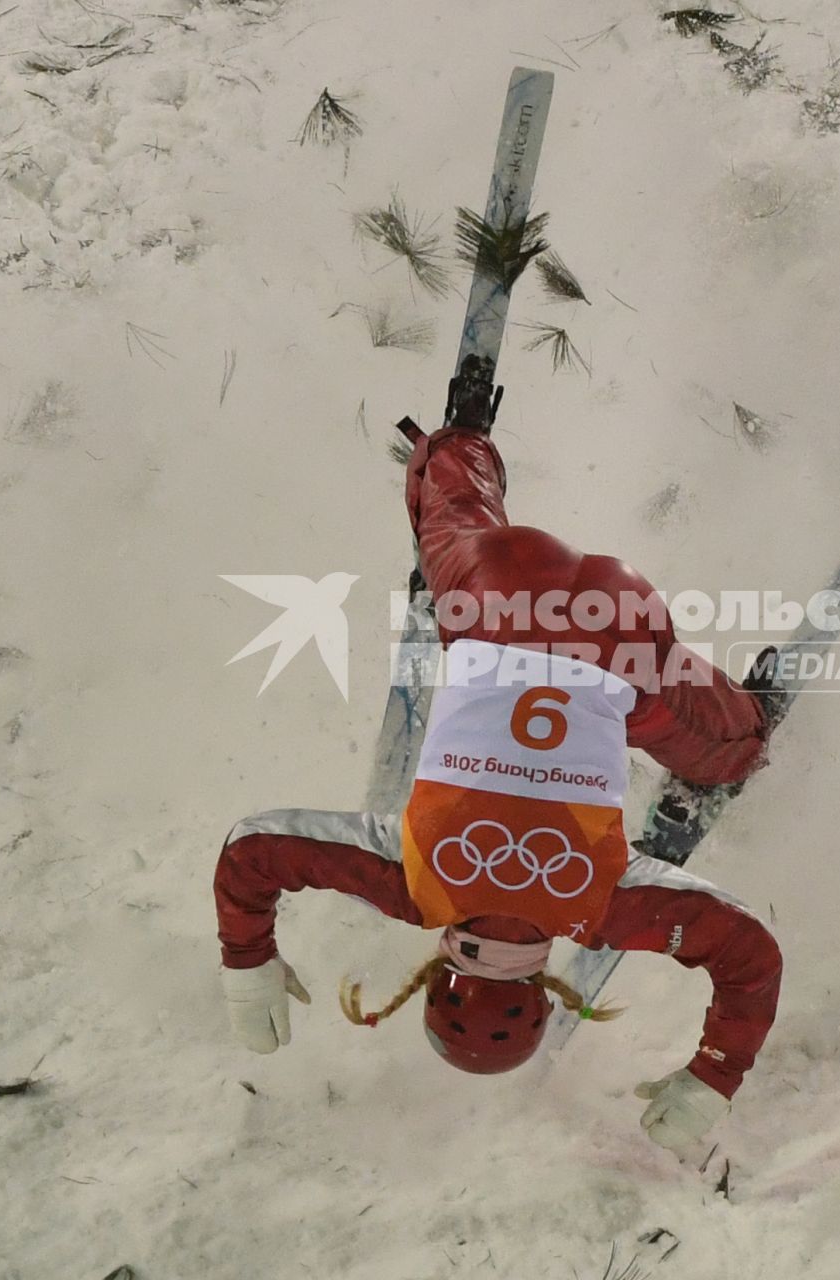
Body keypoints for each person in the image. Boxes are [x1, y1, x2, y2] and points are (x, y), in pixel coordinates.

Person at [215, 360, 782, 1156]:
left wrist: (714, 1073)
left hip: (619, 630)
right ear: (437, 969)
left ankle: (752, 723)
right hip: (496, 592)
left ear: (545, 988)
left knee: (722, 751)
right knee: (452, 518)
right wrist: (247, 958)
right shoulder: (413, 882)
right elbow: (253, 852)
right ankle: (459, 440)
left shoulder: (598, 908)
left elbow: (749, 954)